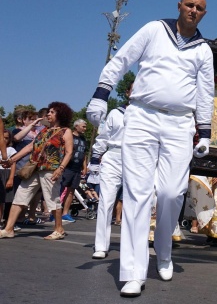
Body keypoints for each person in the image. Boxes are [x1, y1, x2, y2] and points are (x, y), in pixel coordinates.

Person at [85, 0, 214, 297]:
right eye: (189, 4)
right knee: (137, 193)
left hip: (180, 123)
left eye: (199, 8)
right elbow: (122, 60)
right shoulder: (155, 29)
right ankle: (132, 271)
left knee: (171, 192)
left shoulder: (203, 50)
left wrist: (205, 132)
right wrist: (100, 95)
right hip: (142, 115)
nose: (193, 10)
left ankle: (164, 247)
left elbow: (205, 93)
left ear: (203, 14)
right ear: (179, 6)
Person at [1, 102, 74, 240]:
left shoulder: (66, 131)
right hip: (34, 168)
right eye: (49, 112)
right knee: (20, 197)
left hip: (50, 169)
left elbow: (69, 153)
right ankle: (8, 229)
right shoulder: (44, 131)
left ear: (60, 114)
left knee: (52, 199)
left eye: (52, 112)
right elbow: (30, 147)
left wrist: (60, 168)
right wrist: (11, 160)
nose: (48, 114)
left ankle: (59, 229)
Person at [90, 81, 132, 259]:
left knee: (134, 204)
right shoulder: (115, 113)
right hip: (113, 157)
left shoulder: (148, 115)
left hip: (136, 159)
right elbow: (103, 136)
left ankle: (132, 246)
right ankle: (101, 245)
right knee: (106, 201)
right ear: (128, 93)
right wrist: (94, 160)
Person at [60, 119, 88, 222]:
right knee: (61, 189)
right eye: (83, 126)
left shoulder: (84, 139)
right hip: (67, 166)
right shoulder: (69, 136)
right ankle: (54, 213)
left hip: (77, 168)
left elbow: (84, 154)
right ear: (76, 126)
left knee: (71, 191)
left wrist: (84, 167)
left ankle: (65, 213)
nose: (85, 128)